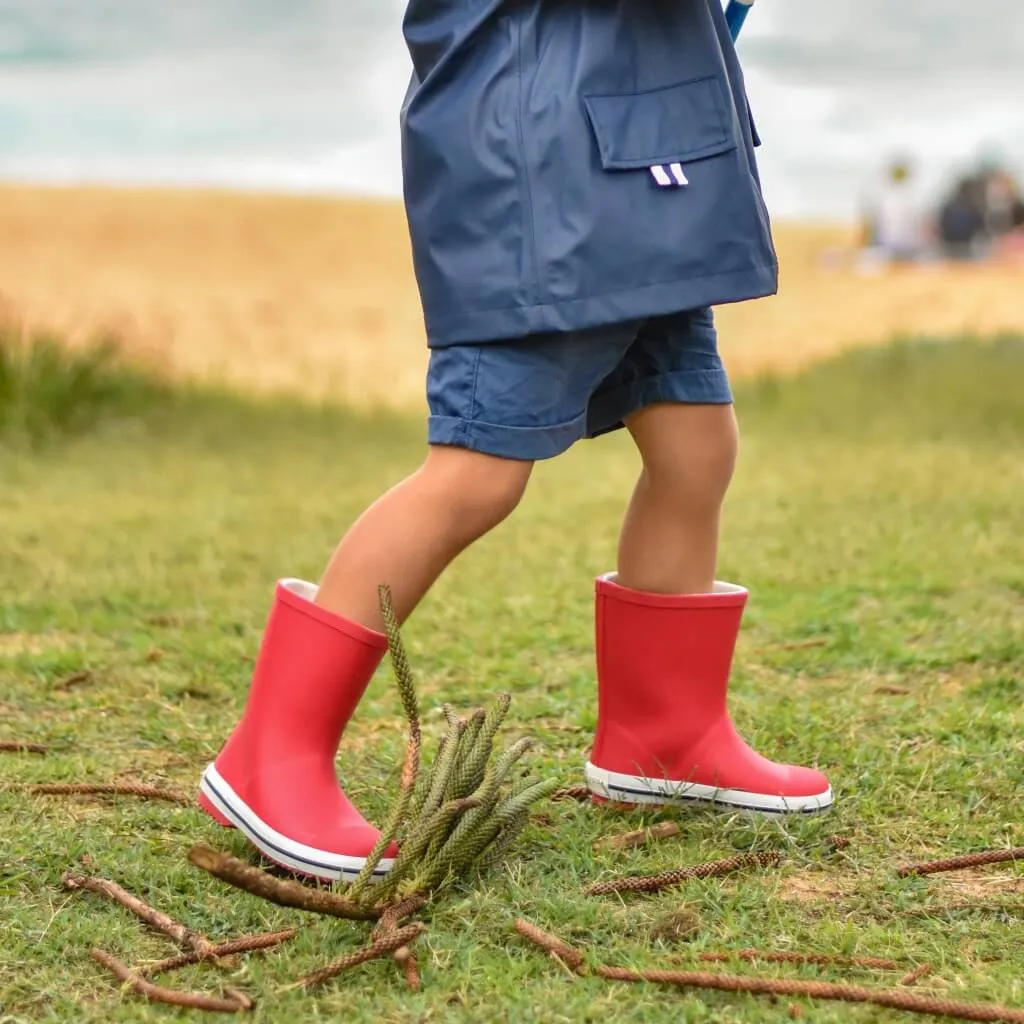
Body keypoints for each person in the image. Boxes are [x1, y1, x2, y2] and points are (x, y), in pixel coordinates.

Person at [197, 0, 833, 881]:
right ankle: (271, 756)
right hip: (542, 171)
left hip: (640, 151)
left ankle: (665, 737)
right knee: (476, 473)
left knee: (694, 443)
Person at [860, 159, 927, 264]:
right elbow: (921, 227)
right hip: (906, 246)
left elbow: (870, 226)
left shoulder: (881, 197)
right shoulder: (912, 199)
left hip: (887, 245)